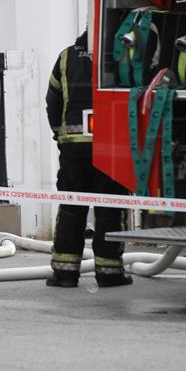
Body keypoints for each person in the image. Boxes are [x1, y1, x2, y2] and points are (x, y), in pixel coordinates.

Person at [45, 30, 133, 288]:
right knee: (109, 209)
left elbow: (53, 99)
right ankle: (109, 273)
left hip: (73, 149)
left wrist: (59, 134)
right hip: (110, 148)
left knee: (72, 208)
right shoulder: (119, 55)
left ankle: (65, 274)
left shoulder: (65, 57)